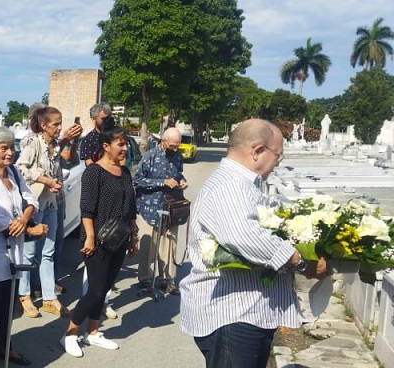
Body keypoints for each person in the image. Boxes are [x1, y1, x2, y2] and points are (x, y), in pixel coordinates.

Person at [179, 119, 329, 368]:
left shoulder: (244, 184)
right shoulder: (231, 184)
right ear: (258, 150)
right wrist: (302, 263)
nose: (277, 164)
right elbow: (243, 235)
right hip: (233, 314)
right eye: (277, 156)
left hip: (247, 312)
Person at [0, 127, 48, 368]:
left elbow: (31, 199)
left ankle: (5, 347)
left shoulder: (13, 172)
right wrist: (29, 230)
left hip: (13, 250)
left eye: (11, 147)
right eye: (3, 148)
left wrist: (25, 218)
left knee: (8, 306)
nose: (9, 153)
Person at [61, 126, 139, 358]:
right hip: (97, 239)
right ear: (106, 146)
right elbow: (86, 208)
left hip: (120, 238)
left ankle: (93, 332)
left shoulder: (124, 172)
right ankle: (70, 333)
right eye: (121, 144)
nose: (125, 148)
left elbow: (131, 209)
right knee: (95, 291)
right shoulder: (93, 172)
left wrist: (134, 236)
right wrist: (91, 237)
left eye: (126, 144)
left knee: (105, 288)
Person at [15, 106, 81, 318]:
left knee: (48, 251)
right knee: (30, 252)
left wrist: (55, 183)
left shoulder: (54, 146)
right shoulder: (33, 143)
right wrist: (45, 180)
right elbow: (20, 167)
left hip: (50, 203)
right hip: (34, 205)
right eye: (56, 124)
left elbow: (68, 160)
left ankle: (49, 297)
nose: (60, 127)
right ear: (43, 125)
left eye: (60, 123)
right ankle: (24, 294)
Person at [78, 102, 120, 319]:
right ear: (95, 118)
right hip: (99, 197)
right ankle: (89, 301)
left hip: (115, 200)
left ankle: (105, 300)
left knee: (111, 257)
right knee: (94, 259)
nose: (108, 120)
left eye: (110, 117)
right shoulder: (89, 140)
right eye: (105, 118)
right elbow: (89, 167)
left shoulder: (114, 134)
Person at [135, 127, 187, 296]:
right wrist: (163, 182)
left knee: (170, 245)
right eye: (172, 145)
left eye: (177, 146)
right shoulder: (150, 156)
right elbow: (138, 180)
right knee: (148, 247)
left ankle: (168, 280)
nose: (175, 149)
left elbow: (179, 174)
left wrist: (182, 181)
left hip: (170, 207)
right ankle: (145, 280)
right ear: (163, 142)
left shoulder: (177, 156)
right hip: (149, 208)